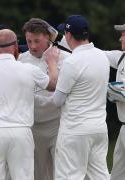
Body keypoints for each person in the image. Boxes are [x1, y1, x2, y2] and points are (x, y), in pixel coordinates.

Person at [0, 29, 59, 180]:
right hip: (21, 132)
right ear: (15, 45)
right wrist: (52, 63)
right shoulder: (28, 69)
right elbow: (53, 85)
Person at [53, 15, 110, 180]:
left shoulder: (71, 62)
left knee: (68, 176)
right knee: (101, 176)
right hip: (99, 128)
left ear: (68, 35)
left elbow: (57, 100)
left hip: (75, 130)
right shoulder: (101, 56)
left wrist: (52, 69)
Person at [18, 18, 70, 180]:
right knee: (36, 174)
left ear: (48, 37)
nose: (32, 46)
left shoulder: (66, 58)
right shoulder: (20, 60)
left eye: (37, 41)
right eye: (29, 41)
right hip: (33, 126)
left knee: (61, 172)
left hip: (58, 124)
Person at [105, 24, 125, 180]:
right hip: (123, 127)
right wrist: (58, 38)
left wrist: (102, 87)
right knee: (117, 175)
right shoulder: (121, 57)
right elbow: (92, 54)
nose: (120, 38)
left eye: (124, 34)